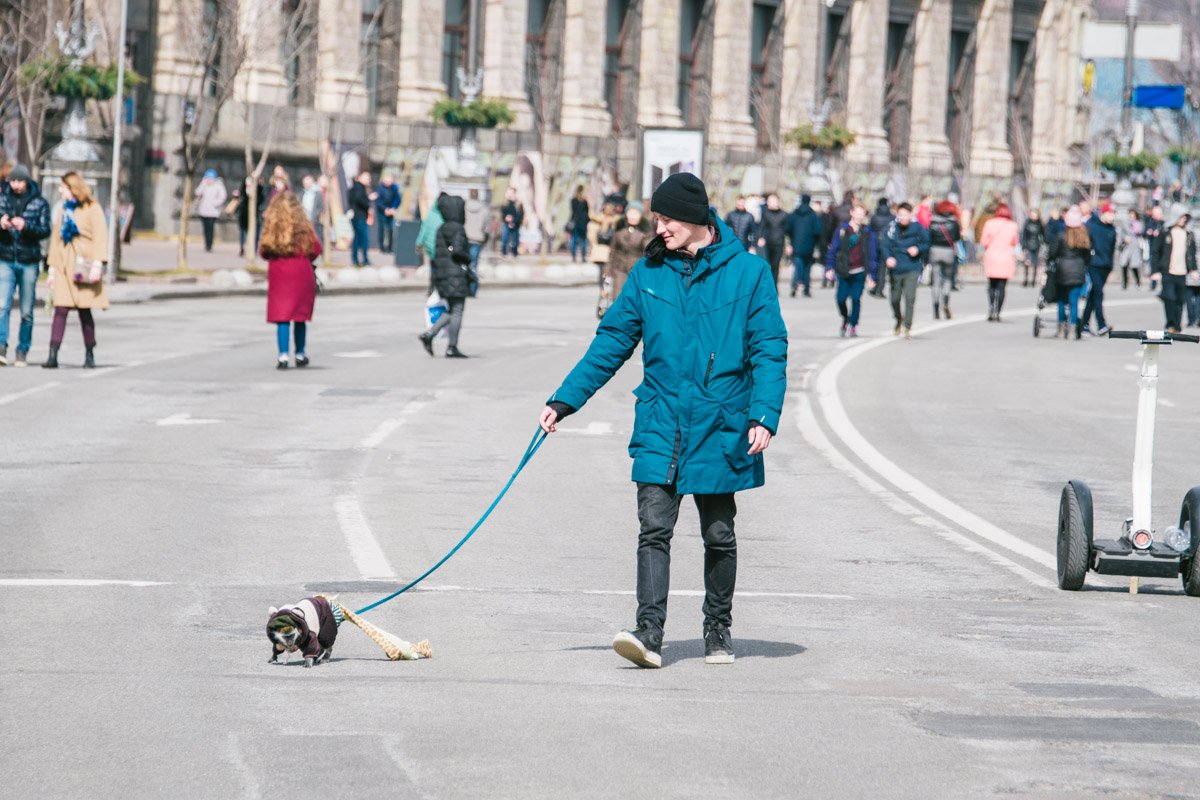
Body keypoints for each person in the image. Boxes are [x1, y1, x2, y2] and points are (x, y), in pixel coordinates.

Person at [538, 173, 787, 668]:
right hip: (661, 419)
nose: (659, 227)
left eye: (666, 218)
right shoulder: (648, 274)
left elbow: (769, 349)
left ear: (694, 219)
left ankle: (718, 627)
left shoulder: (750, 273)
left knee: (719, 533)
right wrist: (564, 401)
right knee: (653, 528)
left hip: (722, 421)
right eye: (656, 218)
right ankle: (649, 633)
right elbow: (611, 343)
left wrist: (764, 415)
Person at [42, 172, 107, 369]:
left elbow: (100, 236)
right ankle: (53, 354)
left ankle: (89, 352)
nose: (61, 190)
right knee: (60, 310)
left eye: (64, 187)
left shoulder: (92, 208)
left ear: (73, 188)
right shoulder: (63, 209)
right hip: (63, 265)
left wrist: (97, 264)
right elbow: (56, 240)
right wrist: (52, 270)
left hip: (82, 266)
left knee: (84, 311)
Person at [261, 192, 320, 369]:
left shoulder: (272, 227)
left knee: (283, 316)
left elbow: (264, 252)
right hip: (301, 273)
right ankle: (300, 353)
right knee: (299, 316)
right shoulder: (304, 226)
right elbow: (316, 249)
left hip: (279, 274)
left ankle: (283, 356)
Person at [0, 164, 51, 367]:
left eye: (20, 181)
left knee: (27, 310)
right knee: (2, 305)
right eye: (13, 181)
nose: (16, 185)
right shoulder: (2, 198)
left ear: (27, 181)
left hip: (29, 261)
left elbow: (45, 229)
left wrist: (26, 226)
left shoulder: (39, 202)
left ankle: (22, 350)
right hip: (5, 258)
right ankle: (1, 347)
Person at [418, 194, 472, 358]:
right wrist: (468, 259)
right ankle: (452, 346)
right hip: (455, 274)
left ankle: (430, 334)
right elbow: (458, 251)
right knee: (457, 310)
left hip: (442, 274)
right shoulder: (458, 228)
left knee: (451, 309)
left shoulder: (441, 228)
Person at [824, 201, 879, 338]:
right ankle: (845, 319)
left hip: (859, 271)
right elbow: (833, 250)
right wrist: (829, 267)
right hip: (843, 271)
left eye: (862, 214)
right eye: (857, 213)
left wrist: (872, 275)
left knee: (855, 298)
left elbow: (872, 255)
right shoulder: (842, 230)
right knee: (840, 299)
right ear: (852, 213)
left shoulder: (867, 232)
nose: (860, 217)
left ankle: (853, 325)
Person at [882, 202, 929, 339]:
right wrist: (888, 258)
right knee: (895, 298)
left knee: (910, 297)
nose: (903, 217)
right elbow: (884, 244)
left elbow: (926, 243)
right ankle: (898, 319)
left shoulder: (918, 228)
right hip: (895, 267)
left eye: (906, 215)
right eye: (900, 214)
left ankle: (907, 327)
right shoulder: (891, 228)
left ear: (911, 214)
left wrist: (917, 250)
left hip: (912, 267)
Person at [1150, 210, 1196, 334]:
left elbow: (1192, 253)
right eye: (1181, 217)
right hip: (1167, 271)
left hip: (1182, 272)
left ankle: (1177, 324)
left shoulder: (1188, 234)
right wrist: (1155, 271)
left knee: (1180, 300)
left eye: (1185, 218)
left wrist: (1193, 269)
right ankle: (1170, 323)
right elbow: (1155, 251)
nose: (1184, 220)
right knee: (1169, 298)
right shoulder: (1165, 232)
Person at [1048, 207, 1090, 339]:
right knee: (1074, 302)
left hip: (1062, 271)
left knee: (1061, 300)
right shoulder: (1083, 238)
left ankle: (1061, 328)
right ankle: (1072, 329)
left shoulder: (1061, 236)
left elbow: (1052, 253)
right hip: (1078, 271)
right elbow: (1088, 256)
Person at [1080, 201, 1117, 336]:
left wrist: (1111, 265)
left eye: (1113, 214)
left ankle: (1083, 324)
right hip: (1094, 264)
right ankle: (1101, 324)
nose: (1112, 217)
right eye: (1110, 213)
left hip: (1105, 266)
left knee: (1093, 296)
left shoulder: (1112, 229)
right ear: (1104, 213)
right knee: (1098, 293)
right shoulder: (1092, 226)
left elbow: (1112, 249)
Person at [605, 201, 651, 302]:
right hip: (619, 269)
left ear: (641, 216)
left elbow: (648, 252)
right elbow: (613, 251)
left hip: (636, 270)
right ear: (626, 214)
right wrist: (607, 269)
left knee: (633, 299)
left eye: (636, 213)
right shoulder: (619, 230)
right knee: (617, 298)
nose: (633, 216)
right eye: (631, 212)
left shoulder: (645, 233)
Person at [980, 203, 1019, 322]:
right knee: (1002, 286)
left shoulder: (989, 224)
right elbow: (1014, 242)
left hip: (991, 256)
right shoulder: (1012, 226)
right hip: (1006, 257)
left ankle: (991, 308)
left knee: (991, 285)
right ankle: (998, 311)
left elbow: (983, 242)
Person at [927, 200, 961, 320]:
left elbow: (928, 237)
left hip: (935, 251)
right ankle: (945, 301)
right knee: (947, 279)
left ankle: (936, 308)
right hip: (949, 252)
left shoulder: (933, 221)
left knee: (935, 281)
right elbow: (957, 238)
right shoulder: (954, 222)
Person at [785, 193, 822, 298]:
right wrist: (815, 244)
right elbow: (818, 231)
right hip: (809, 245)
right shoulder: (813, 215)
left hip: (796, 244)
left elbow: (787, 229)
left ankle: (794, 286)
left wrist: (791, 241)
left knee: (797, 267)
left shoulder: (794, 214)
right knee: (807, 268)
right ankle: (806, 289)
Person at [756, 193, 789, 292]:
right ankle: (767, 285)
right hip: (768, 243)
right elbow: (761, 226)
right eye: (770, 201)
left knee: (776, 265)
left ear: (778, 202)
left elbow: (787, 231)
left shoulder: (784, 215)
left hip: (779, 243)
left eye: (774, 201)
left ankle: (774, 286)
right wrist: (760, 237)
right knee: (767, 265)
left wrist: (789, 244)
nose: (771, 203)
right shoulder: (765, 214)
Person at [463, 187, 490, 295]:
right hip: (478, 239)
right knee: (473, 265)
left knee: (464, 264)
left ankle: (464, 288)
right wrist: (484, 236)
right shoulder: (484, 208)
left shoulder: (464, 206)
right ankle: (473, 289)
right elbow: (486, 226)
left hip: (465, 238)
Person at [194, 169, 227, 253]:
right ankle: (206, 244)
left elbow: (223, 197)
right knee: (205, 229)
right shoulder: (204, 185)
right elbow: (197, 193)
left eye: (210, 178)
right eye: (207, 178)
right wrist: (202, 183)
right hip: (203, 211)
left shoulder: (218, 185)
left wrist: (215, 204)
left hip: (213, 212)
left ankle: (209, 245)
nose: (209, 180)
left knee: (210, 228)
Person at [867, 198, 895, 297]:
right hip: (887, 242)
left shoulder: (874, 216)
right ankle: (879, 289)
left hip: (875, 241)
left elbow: (870, 229)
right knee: (883, 267)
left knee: (876, 264)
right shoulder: (892, 216)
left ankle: (875, 286)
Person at [347, 171, 375, 266]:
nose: (369, 180)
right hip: (360, 216)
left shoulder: (354, 187)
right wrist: (368, 200)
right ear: (360, 178)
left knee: (357, 238)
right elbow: (359, 199)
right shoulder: (359, 187)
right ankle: (364, 259)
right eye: (367, 178)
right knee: (364, 238)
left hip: (356, 216)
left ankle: (355, 259)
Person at [236, 176, 265, 257]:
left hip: (253, 213)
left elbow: (261, 200)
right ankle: (244, 247)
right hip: (246, 213)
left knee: (252, 233)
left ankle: (251, 249)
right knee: (244, 232)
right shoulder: (246, 186)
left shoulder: (259, 188)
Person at [374, 173, 401, 253]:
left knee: (391, 230)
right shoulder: (380, 188)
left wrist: (393, 208)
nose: (390, 182)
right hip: (382, 212)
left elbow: (397, 199)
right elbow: (378, 201)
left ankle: (389, 248)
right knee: (382, 229)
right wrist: (385, 209)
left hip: (391, 211)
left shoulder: (394, 188)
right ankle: (382, 247)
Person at [1117, 208, 1144, 290]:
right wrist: (1124, 238)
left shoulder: (1139, 224)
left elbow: (1141, 232)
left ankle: (1138, 281)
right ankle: (1124, 283)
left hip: (1135, 246)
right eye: (1130, 215)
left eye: (1133, 215)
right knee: (1124, 264)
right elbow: (1121, 234)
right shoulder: (1125, 223)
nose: (1131, 216)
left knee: (1134, 265)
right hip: (1126, 246)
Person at [1020, 209, 1045, 287]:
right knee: (1027, 263)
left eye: (1035, 215)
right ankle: (1026, 279)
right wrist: (1023, 246)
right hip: (1028, 245)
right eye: (1032, 215)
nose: (1034, 216)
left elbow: (1043, 234)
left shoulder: (1040, 224)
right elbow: (1023, 235)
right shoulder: (1027, 223)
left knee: (1035, 263)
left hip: (1036, 245)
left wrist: (1042, 242)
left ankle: (1033, 280)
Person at [300, 174, 325, 248]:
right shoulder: (302, 193)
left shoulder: (318, 193)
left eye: (307, 182)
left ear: (312, 182)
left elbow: (321, 207)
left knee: (316, 238)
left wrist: (315, 216)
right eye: (304, 183)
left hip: (315, 220)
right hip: (304, 219)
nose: (305, 184)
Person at [569, 185, 591, 263]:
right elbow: (587, 211)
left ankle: (574, 257)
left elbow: (573, 212)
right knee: (584, 241)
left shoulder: (573, 200)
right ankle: (583, 257)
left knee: (574, 240)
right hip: (583, 223)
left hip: (575, 223)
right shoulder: (584, 201)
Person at [500, 187, 523, 257]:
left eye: (512, 192)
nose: (510, 194)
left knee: (515, 240)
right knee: (505, 239)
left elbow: (520, 215)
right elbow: (502, 213)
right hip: (506, 224)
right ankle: (504, 253)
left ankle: (514, 253)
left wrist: (513, 221)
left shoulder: (518, 204)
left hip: (515, 224)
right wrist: (506, 219)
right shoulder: (505, 203)